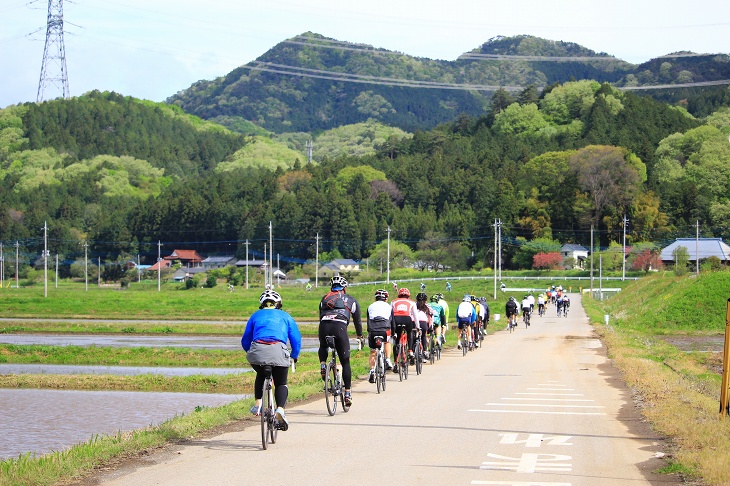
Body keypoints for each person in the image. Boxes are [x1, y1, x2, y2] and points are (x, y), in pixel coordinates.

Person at [241, 289, 302, 431]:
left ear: (262, 304)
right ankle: (280, 409)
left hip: (258, 352)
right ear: (278, 304)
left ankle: (258, 404)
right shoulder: (286, 316)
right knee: (281, 383)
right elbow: (296, 339)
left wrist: (251, 352)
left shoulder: (255, 316)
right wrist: (294, 355)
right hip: (278, 351)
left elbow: (245, 340)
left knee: (261, 374)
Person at [318, 275, 362, 407]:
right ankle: (347, 393)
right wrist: (360, 336)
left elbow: (321, 315)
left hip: (324, 325)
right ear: (345, 288)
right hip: (340, 327)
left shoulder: (324, 299)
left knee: (323, 345)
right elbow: (357, 321)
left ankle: (323, 365)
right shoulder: (351, 300)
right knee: (345, 361)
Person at [367, 289, 394, 383]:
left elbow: (368, 320)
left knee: (373, 352)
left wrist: (369, 332)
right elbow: (392, 322)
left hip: (373, 330)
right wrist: (393, 333)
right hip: (384, 330)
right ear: (385, 298)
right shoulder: (389, 307)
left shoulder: (370, 306)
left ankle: (371, 371)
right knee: (387, 341)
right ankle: (387, 359)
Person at [391, 287, 418, 369]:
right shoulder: (412, 302)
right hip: (407, 319)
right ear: (408, 295)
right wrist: (418, 326)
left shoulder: (393, 301)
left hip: (396, 319)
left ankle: (395, 362)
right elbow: (415, 316)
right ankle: (410, 351)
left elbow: (390, 314)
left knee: (396, 340)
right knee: (410, 332)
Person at [415, 292, 433, 361]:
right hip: (423, 323)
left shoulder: (414, 305)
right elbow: (431, 317)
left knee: (413, 336)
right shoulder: (428, 307)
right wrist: (430, 327)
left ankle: (411, 351)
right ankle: (425, 351)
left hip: (414, 322)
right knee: (423, 336)